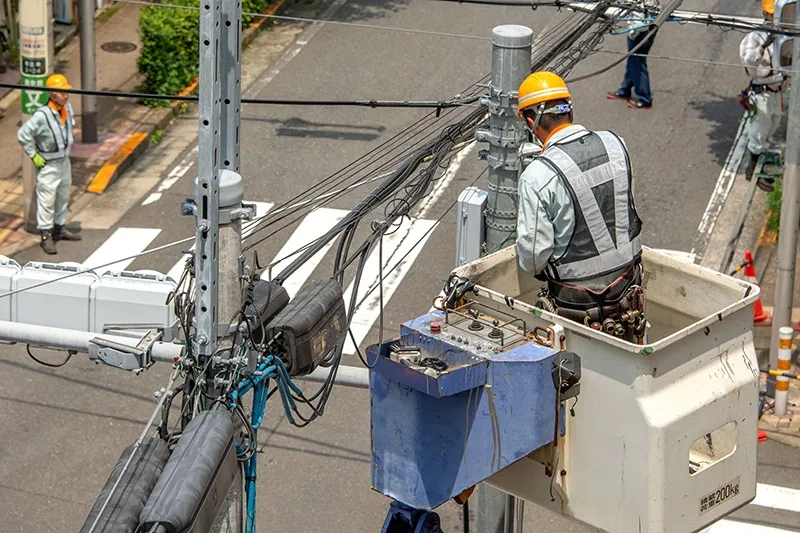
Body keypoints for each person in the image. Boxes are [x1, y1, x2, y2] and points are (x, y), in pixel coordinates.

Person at [515, 71, 646, 342]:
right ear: (569, 112)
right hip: (629, 291)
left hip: (576, 309)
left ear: (530, 121)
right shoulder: (616, 144)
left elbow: (532, 257)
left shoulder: (538, 175)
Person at [17, 73, 81, 255]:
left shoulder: (66, 109)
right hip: (49, 164)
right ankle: (46, 236)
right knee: (47, 200)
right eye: (62, 92)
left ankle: (59, 229)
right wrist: (33, 154)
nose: (66, 96)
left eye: (66, 92)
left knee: (63, 196)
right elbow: (23, 134)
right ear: (52, 94)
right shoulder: (41, 115)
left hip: (64, 161)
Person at [740, 0, 785, 192]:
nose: (773, 17)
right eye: (770, 13)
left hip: (778, 90)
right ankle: (752, 172)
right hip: (762, 93)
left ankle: (762, 168)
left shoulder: (785, 33)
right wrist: (763, 46)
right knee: (758, 132)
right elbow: (747, 58)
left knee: (772, 127)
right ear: (765, 14)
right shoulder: (755, 36)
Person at [605, 0, 657, 109]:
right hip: (646, 28)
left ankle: (644, 98)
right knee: (633, 61)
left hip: (641, 32)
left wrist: (634, 33)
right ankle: (625, 89)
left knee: (638, 63)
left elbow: (639, 20)